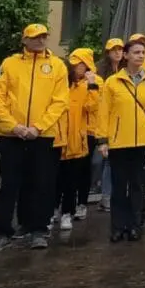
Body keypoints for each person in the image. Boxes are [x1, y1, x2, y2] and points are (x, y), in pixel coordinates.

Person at [0, 25, 70, 252]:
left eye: (43, 36)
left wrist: (38, 127)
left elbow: (60, 101)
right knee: (9, 184)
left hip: (42, 136)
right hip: (11, 135)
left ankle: (38, 230)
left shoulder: (57, 66)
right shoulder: (9, 64)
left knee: (42, 184)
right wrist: (14, 127)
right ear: (25, 39)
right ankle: (2, 231)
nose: (40, 40)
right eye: (35, 37)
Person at [95, 38, 145, 242]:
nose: (140, 56)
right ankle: (117, 226)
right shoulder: (112, 82)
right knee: (119, 187)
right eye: (136, 52)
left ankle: (135, 225)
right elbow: (104, 112)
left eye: (143, 52)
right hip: (119, 142)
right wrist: (102, 139)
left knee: (138, 186)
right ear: (126, 55)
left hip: (143, 142)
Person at [56, 48, 100, 231]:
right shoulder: (63, 84)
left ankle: (69, 211)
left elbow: (92, 106)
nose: (76, 67)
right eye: (74, 63)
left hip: (80, 138)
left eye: (80, 63)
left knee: (74, 178)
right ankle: (53, 210)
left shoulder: (93, 84)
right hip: (58, 138)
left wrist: (92, 86)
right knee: (57, 178)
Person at [93, 39, 125, 212]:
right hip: (103, 119)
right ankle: (103, 192)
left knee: (111, 161)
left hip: (121, 120)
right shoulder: (99, 70)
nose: (118, 52)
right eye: (114, 50)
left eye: (120, 49)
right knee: (101, 160)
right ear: (107, 52)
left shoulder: (125, 69)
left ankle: (108, 196)